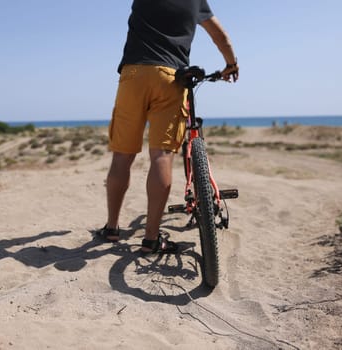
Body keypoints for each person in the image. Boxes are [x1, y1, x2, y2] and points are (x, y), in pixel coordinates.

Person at [98, 0, 239, 254]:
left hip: (134, 74)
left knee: (122, 157)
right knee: (161, 156)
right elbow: (221, 37)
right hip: (170, 77)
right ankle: (151, 239)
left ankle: (112, 228)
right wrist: (231, 64)